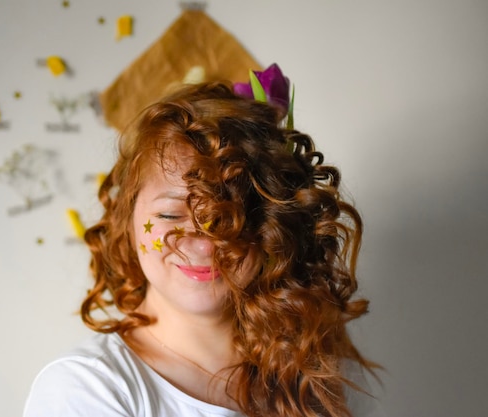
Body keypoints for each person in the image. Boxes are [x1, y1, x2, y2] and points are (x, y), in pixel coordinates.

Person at [23, 66, 384, 417]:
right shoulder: (86, 390)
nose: (205, 244)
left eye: (232, 219)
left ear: (274, 228)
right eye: (171, 215)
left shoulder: (315, 375)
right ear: (127, 218)